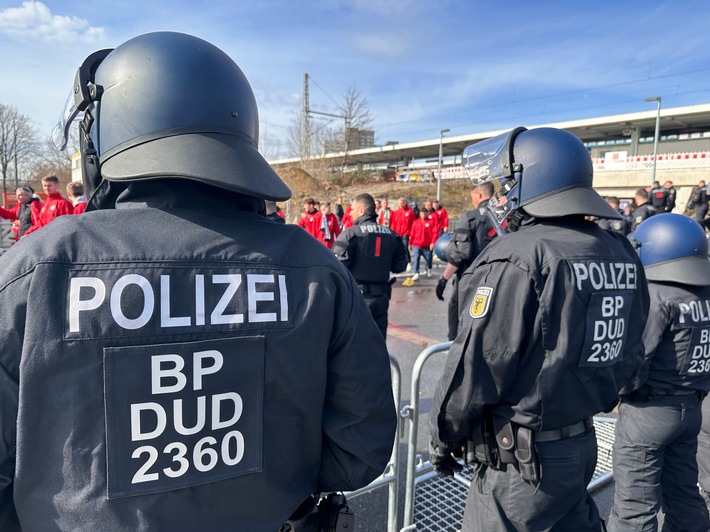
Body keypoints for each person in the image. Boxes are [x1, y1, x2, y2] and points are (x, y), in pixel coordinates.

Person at [0, 32, 396, 531]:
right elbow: (362, 447)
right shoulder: (315, 268)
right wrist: (267, 485)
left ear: (104, 136)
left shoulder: (36, 270)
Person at [428, 127, 650, 532]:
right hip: (580, 443)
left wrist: (444, 437)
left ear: (533, 180)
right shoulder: (620, 252)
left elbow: (476, 367)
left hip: (521, 465)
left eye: (508, 183)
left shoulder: (518, 255)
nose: (501, 195)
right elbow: (632, 351)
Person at [608, 213, 710, 532]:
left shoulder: (656, 294)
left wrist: (614, 393)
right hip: (691, 408)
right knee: (684, 495)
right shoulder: (705, 295)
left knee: (635, 508)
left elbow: (637, 358)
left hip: (649, 412)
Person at [333, 193, 408, 338]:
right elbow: (400, 266)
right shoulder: (392, 235)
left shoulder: (351, 234)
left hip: (357, 297)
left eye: (353, 209)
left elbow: (336, 267)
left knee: (354, 343)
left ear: (361, 211)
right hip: (381, 297)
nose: (351, 213)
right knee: (379, 342)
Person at [435, 181, 496, 341]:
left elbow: (459, 253)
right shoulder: (505, 216)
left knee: (457, 309)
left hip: (470, 277)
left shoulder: (470, 217)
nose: (473, 202)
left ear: (479, 195)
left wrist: (443, 280)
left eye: (473, 198)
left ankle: (454, 344)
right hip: (498, 276)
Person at [409, 208, 437, 280]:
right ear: (420, 214)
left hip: (427, 245)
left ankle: (429, 268)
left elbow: (435, 233)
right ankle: (416, 273)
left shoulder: (431, 222)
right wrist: (410, 243)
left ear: (427, 214)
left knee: (429, 259)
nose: (423, 215)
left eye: (425, 214)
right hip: (417, 244)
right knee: (416, 258)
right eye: (422, 214)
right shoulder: (416, 222)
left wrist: (433, 243)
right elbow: (412, 233)